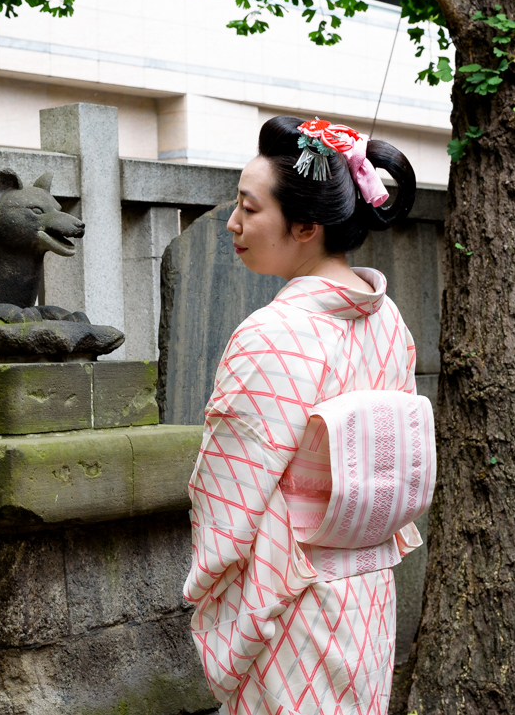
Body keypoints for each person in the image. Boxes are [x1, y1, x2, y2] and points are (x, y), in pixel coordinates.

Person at [183, 115, 437, 715]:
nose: (233, 224)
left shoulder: (271, 334)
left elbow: (229, 497)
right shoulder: (388, 321)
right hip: (370, 593)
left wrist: (210, 589)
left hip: (287, 600)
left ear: (305, 226)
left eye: (249, 208)